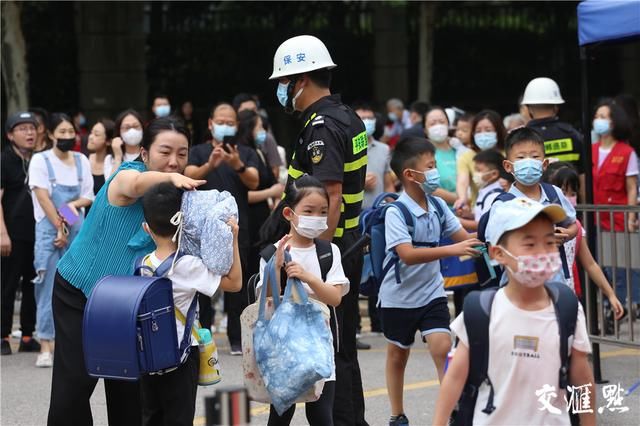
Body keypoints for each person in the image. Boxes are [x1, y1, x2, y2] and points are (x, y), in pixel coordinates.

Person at [48, 117, 205, 426]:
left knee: (129, 393)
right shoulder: (127, 175)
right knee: (74, 391)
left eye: (182, 154)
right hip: (80, 294)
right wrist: (168, 178)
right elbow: (135, 186)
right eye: (165, 152)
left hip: (127, 306)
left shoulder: (180, 194)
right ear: (144, 153)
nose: (174, 162)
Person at [268, 34, 368, 425]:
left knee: (330, 349)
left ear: (302, 80)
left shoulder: (323, 126)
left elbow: (330, 194)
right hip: (346, 247)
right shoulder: (346, 115)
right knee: (339, 349)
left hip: (331, 251)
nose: (282, 90)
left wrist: (320, 257)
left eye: (284, 82)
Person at [433, 198, 595, 426]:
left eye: (549, 243)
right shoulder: (482, 311)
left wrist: (588, 422)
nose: (542, 252)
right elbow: (455, 377)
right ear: (498, 253)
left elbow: (582, 380)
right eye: (529, 245)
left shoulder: (568, 308)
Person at [382, 138, 480, 425]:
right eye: (431, 166)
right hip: (397, 296)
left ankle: (451, 413)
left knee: (441, 345)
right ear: (410, 175)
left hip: (432, 293)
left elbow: (465, 238)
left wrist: (499, 243)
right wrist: (452, 249)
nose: (436, 171)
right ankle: (397, 414)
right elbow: (408, 255)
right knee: (398, 355)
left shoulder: (438, 205)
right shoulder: (395, 211)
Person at [138, 182, 241, 426]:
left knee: (151, 417)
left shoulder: (141, 264)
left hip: (148, 355)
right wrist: (233, 239)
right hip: (181, 355)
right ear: (181, 221)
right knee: (179, 418)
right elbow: (235, 283)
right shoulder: (188, 266)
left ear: (146, 228)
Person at [259, 175, 349, 426]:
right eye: (308, 211)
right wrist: (274, 270)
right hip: (282, 349)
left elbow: (335, 297)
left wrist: (308, 277)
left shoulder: (329, 252)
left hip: (319, 348)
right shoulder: (271, 252)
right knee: (280, 416)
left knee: (321, 416)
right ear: (289, 213)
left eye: (323, 211)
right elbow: (265, 301)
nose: (317, 218)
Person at [184, 103, 259, 354]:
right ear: (210, 123)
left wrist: (236, 163)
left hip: (237, 228)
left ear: (237, 126)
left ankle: (237, 339)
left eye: (230, 122)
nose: (225, 125)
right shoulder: (197, 151)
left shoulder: (246, 152)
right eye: (221, 121)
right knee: (202, 284)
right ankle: (202, 336)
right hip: (201, 231)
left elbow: (254, 180)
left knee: (238, 284)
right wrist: (211, 164)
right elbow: (189, 173)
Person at [29, 113, 94, 368]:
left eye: (71, 132)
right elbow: (43, 198)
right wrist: (58, 227)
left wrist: (65, 220)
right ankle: (45, 344)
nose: (67, 136)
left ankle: (73, 343)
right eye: (62, 132)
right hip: (48, 232)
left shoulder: (81, 160)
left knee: (78, 286)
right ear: (51, 135)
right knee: (47, 287)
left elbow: (87, 196)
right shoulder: (40, 160)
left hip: (78, 231)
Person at [491, 127, 579, 286]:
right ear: (508, 166)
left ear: (544, 164)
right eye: (521, 157)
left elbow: (573, 224)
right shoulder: (502, 205)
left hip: (555, 279)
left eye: (535, 156)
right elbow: (496, 244)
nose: (528, 162)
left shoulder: (555, 194)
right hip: (518, 282)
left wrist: (566, 233)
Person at [544, 162, 624, 319]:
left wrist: (611, 294)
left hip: (568, 296)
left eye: (573, 193)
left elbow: (591, 264)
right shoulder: (534, 225)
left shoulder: (577, 229)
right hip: (540, 299)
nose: (568, 198)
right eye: (562, 192)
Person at [591, 99, 639, 309]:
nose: (598, 121)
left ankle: (630, 304)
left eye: (603, 116)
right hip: (595, 218)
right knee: (604, 265)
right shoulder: (590, 149)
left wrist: (631, 217)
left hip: (617, 217)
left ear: (614, 122)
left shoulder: (626, 152)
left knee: (623, 265)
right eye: (596, 116)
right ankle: (610, 305)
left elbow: (631, 188)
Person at [1, 112, 41, 356]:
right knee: (6, 285)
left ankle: (27, 334)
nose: (29, 133)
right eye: (23, 128)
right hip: (11, 235)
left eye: (33, 128)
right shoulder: (4, 160)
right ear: (10, 135)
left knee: (32, 285)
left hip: (38, 234)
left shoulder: (40, 160)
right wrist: (2, 233)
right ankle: (3, 335)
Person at [354, 102, 394, 341]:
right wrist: (360, 183)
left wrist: (390, 201)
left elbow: (389, 180)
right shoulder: (347, 146)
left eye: (370, 116)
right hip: (354, 213)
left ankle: (378, 321)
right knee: (355, 265)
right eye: (362, 116)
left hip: (378, 212)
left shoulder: (384, 149)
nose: (367, 120)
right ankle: (355, 324)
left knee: (378, 264)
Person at [236, 109, 284, 281]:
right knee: (249, 265)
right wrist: (271, 193)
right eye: (258, 128)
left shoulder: (259, 151)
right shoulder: (241, 154)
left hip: (263, 219)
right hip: (249, 218)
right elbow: (241, 195)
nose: (262, 132)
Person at [522, 77, 586, 201]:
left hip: (534, 208)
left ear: (529, 108)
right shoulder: (572, 134)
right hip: (570, 205)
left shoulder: (521, 138)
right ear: (556, 107)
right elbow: (583, 177)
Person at [454, 110, 506, 212]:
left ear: (498, 131)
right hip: (479, 211)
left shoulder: (508, 153)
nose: (483, 134)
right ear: (473, 133)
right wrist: (462, 198)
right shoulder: (466, 157)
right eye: (478, 131)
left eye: (488, 130)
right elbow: (462, 182)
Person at [233, 92, 283, 178]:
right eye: (246, 111)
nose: (251, 115)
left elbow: (275, 171)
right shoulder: (232, 142)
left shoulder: (265, 137)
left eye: (254, 110)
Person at [424, 107, 461, 206]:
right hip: (442, 212)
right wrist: (461, 199)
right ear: (425, 129)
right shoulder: (423, 154)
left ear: (448, 125)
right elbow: (429, 187)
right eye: (432, 123)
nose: (438, 126)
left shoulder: (459, 149)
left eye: (442, 121)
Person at [105, 109, 144, 177]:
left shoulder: (149, 155)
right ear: (119, 131)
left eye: (136, 126)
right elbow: (109, 184)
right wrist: (118, 157)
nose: (132, 131)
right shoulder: (110, 159)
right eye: (127, 127)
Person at [86, 118, 115, 204]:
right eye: (91, 133)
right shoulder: (82, 160)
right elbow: (66, 197)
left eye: (96, 134)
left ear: (109, 141)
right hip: (81, 216)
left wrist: (117, 157)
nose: (90, 137)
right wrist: (72, 218)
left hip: (104, 216)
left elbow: (112, 194)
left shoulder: (114, 163)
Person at [473, 150, 507, 221]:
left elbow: (482, 224)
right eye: (475, 170)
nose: (475, 174)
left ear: (494, 174)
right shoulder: (485, 189)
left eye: (479, 170)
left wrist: (458, 221)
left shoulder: (494, 196)